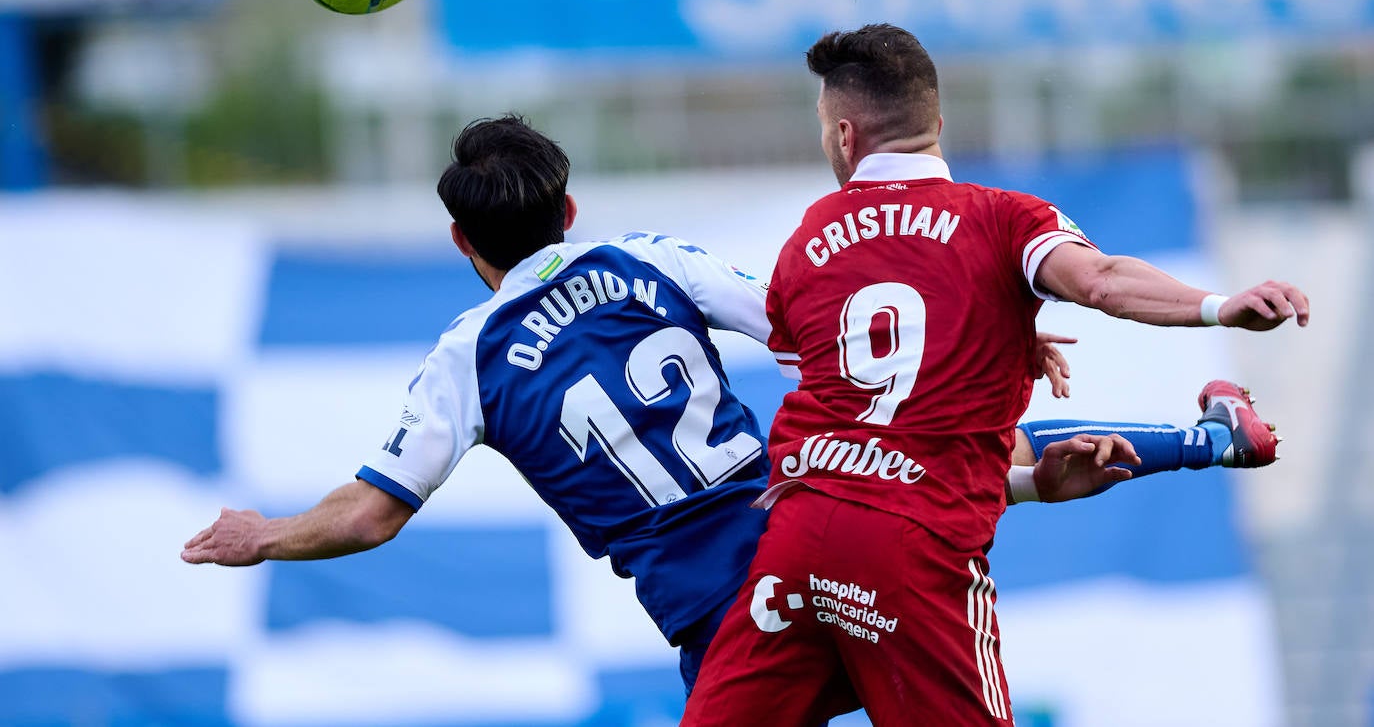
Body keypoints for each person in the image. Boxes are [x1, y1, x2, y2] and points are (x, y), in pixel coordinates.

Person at [179, 115, 1272, 705]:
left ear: (464, 246)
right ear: (569, 208)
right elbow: (814, 332)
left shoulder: (466, 360)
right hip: (815, 536)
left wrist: (261, 535)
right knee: (911, 451)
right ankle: (1204, 437)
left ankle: (1192, 439)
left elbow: (369, 514)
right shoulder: (647, 259)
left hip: (732, 619)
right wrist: (974, 331)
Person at [679, 24, 1309, 727]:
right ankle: (1209, 442)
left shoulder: (806, 245)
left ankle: (1209, 442)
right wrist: (1220, 309)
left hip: (797, 544)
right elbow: (1099, 281)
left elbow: (866, 413)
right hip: (911, 553)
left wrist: (985, 331)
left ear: (846, 136)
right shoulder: (1001, 220)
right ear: (937, 124)